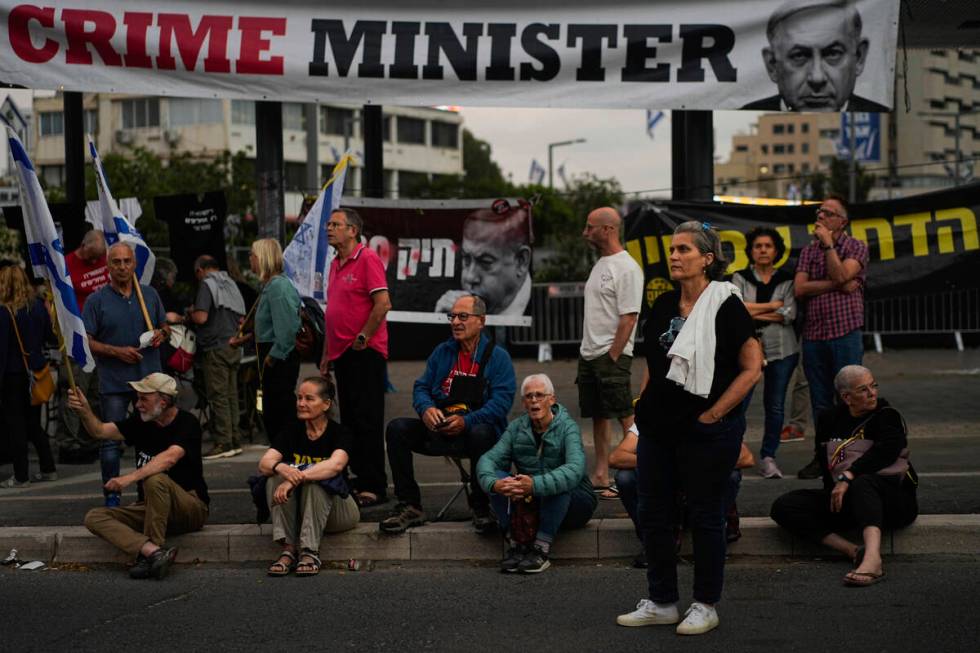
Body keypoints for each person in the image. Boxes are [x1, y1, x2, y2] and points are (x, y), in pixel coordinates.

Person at [618, 221, 761, 636]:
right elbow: (655, 367)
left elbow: (752, 368)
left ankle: (705, 604)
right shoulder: (662, 304)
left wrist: (712, 416)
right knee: (654, 515)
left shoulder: (726, 305)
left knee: (705, 516)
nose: (674, 256)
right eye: (672, 249)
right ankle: (662, 601)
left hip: (706, 432)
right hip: (658, 430)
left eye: (683, 250)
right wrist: (641, 410)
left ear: (707, 259)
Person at [771, 365, 918, 586]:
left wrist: (848, 477)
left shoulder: (887, 415)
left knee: (863, 482)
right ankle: (853, 551)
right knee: (785, 505)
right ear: (847, 397)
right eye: (864, 390)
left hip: (893, 502)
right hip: (849, 500)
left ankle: (873, 560)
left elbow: (886, 452)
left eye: (873, 386)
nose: (873, 393)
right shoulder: (829, 420)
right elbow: (824, 461)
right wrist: (836, 489)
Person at [382, 294, 516, 535]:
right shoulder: (443, 352)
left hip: (476, 436)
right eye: (452, 316)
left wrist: (466, 421)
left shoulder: (498, 357)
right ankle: (410, 506)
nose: (455, 322)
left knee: (482, 432)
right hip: (441, 430)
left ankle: (481, 506)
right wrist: (426, 410)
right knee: (396, 428)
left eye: (463, 316)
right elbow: (421, 387)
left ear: (481, 321)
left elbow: (501, 404)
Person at [71, 373, 209, 580]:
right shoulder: (141, 422)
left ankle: (151, 552)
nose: (137, 404)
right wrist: (84, 410)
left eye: (144, 398)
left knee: (155, 478)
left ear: (163, 401)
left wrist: (129, 478)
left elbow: (169, 458)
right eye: (138, 398)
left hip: (190, 508)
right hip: (152, 508)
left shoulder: (187, 422)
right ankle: (153, 552)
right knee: (95, 517)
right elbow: (100, 431)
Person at [477, 373, 596, 574]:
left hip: (576, 504)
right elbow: (487, 460)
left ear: (552, 399)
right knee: (499, 477)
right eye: (529, 396)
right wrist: (496, 484)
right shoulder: (516, 428)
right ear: (523, 403)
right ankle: (516, 545)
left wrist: (534, 485)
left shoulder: (568, 427)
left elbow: (575, 470)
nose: (534, 401)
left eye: (540, 395)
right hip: (532, 502)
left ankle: (540, 549)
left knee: (560, 482)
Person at [83, 241, 169, 507]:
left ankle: (150, 495)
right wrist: (116, 351)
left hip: (148, 380)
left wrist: (161, 334)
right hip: (115, 381)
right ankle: (112, 496)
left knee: (153, 437)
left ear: (134, 264)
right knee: (110, 442)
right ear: (108, 266)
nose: (122, 267)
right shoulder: (96, 300)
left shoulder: (150, 294)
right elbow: (87, 341)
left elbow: (165, 327)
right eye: (116, 262)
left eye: (127, 261)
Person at [319, 208, 392, 508]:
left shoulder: (367, 258)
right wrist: (325, 354)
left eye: (335, 224)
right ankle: (357, 478)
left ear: (352, 230)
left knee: (367, 420)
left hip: (365, 353)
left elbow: (383, 303)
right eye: (328, 224)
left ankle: (374, 484)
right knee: (349, 420)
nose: (329, 229)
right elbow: (333, 313)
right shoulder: (336, 263)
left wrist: (363, 336)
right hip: (342, 354)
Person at [794, 195, 869, 479]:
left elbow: (841, 273)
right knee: (820, 401)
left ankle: (848, 457)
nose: (820, 216)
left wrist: (828, 246)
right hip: (814, 335)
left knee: (848, 397)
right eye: (819, 211)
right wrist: (838, 284)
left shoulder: (856, 246)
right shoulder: (808, 251)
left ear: (842, 221)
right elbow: (800, 289)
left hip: (844, 333)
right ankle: (822, 457)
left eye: (827, 213)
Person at [258, 376, 360, 577]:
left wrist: (296, 477)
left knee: (317, 481)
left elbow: (335, 465)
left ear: (326, 404)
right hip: (302, 512)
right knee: (273, 477)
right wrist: (282, 469)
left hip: (339, 511)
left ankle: (309, 551)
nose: (301, 404)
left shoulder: (340, 433)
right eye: (299, 398)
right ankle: (288, 549)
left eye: (309, 399)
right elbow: (264, 464)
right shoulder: (291, 431)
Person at [578, 206, 644, 497]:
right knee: (598, 415)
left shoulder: (627, 267)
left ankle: (643, 469)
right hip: (590, 353)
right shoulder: (601, 264)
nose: (585, 232)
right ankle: (602, 475)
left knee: (624, 414)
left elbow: (629, 316)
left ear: (608, 229)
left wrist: (613, 355)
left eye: (590, 227)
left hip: (610, 355)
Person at [732, 227, 798, 479]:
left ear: (776, 251)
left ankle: (768, 457)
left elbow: (789, 315)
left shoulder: (788, 280)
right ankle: (736, 451)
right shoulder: (739, 278)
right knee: (739, 403)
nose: (762, 250)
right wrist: (772, 306)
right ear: (751, 250)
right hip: (746, 351)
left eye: (768, 246)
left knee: (776, 406)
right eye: (758, 246)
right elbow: (737, 310)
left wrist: (752, 311)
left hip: (783, 351)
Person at [741, 0, 888, 112]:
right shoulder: (744, 116)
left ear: (859, 58)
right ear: (772, 65)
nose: (817, 78)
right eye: (799, 56)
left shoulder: (885, 118)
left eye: (833, 54)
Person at [232, 239, 301, 444]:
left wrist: (272, 358)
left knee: (279, 411)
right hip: (269, 355)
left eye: (253, 255)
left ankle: (286, 458)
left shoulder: (278, 286)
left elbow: (287, 329)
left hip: (278, 359)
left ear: (263, 258)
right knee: (271, 411)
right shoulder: (270, 286)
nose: (250, 259)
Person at [0, 264, 57, 487]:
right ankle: (48, 467)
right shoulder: (37, 308)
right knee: (34, 424)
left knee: (16, 426)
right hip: (36, 371)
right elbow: (48, 337)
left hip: (12, 374)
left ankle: (21, 475)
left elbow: (2, 351)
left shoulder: (4, 312)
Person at [188, 255, 246, 460]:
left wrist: (189, 314)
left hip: (214, 347)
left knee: (218, 396)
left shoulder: (207, 284)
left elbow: (202, 317)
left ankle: (224, 442)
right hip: (232, 346)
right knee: (231, 395)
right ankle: (235, 439)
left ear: (200, 270)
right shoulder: (230, 283)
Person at [59, 228, 108, 463]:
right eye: (91, 256)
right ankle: (70, 443)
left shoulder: (103, 260)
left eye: (99, 257)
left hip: (100, 337)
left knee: (95, 392)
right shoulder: (67, 263)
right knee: (75, 391)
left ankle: (91, 438)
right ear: (83, 245)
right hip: (76, 337)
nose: (95, 261)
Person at [434, 201, 533, 316]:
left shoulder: (540, 308)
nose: (469, 277)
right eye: (466, 259)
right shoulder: (449, 296)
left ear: (521, 261)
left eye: (485, 262)